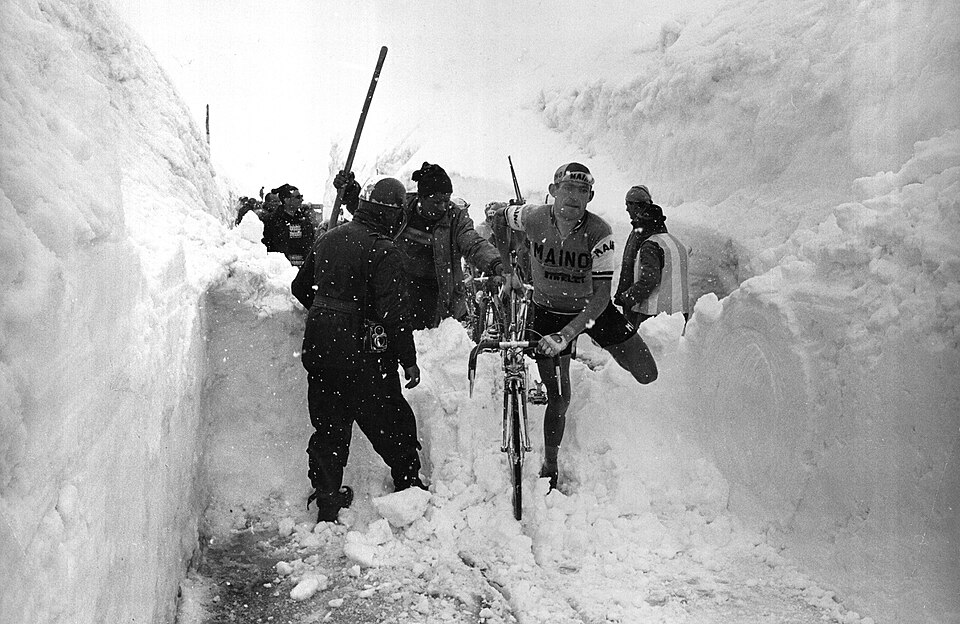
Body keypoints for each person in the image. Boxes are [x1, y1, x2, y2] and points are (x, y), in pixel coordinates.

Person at [494, 162, 658, 490]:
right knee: (559, 398)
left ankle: (597, 354)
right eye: (567, 189)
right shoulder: (532, 216)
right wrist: (507, 268)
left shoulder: (600, 232)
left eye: (582, 191)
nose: (574, 197)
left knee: (646, 372)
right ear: (553, 191)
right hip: (547, 313)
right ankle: (550, 463)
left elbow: (601, 297)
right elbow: (501, 217)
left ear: (591, 196)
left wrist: (568, 334)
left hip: (591, 308)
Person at [291, 177, 425, 523]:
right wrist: (408, 361)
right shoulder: (385, 251)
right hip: (364, 355)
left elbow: (300, 287)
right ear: (394, 214)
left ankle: (327, 500)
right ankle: (408, 484)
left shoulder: (329, 237)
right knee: (390, 419)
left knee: (329, 427)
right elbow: (395, 316)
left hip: (321, 348)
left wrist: (328, 310)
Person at [336, 163, 505, 330]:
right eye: (437, 202)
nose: (443, 207)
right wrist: (350, 191)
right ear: (422, 197)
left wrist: (497, 263)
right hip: (399, 290)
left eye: (446, 200)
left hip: (439, 296)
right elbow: (371, 214)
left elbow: (473, 243)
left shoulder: (455, 217)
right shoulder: (401, 208)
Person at [614, 185, 691, 327]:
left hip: (651, 312)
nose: (626, 209)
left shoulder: (648, 241)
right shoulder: (674, 242)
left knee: (640, 347)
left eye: (628, 204)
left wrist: (626, 297)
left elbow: (648, 278)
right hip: (678, 312)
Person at [262, 183, 319, 267]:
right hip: (280, 269)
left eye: (301, 196)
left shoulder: (304, 221)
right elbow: (266, 246)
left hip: (302, 268)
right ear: (286, 200)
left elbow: (310, 244)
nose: (301, 200)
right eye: (298, 197)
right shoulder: (271, 220)